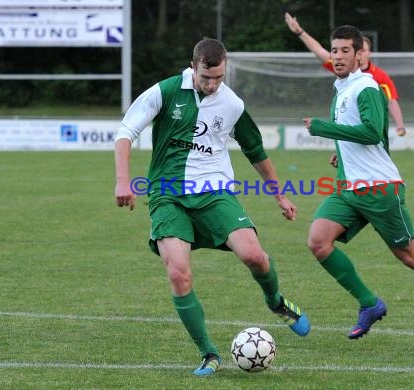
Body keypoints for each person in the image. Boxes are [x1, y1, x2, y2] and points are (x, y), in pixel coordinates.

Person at [114, 38, 310, 376]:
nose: (213, 84)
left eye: (219, 77)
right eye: (206, 77)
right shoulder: (165, 91)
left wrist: (279, 195)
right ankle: (208, 353)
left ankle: (276, 301)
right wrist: (122, 180)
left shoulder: (231, 104)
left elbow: (256, 151)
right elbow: (125, 132)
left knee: (254, 256)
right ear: (193, 66)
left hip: (214, 192)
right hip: (167, 194)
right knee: (178, 272)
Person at [302, 25, 414, 349]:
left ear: (359, 55)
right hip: (349, 188)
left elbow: (371, 132)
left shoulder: (366, 86)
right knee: (318, 241)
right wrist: (340, 152)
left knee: (410, 256)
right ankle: (370, 303)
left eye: (344, 51)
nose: (337, 56)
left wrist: (325, 129)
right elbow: (362, 134)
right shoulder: (343, 87)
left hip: (380, 188)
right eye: (334, 50)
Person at [285, 12, 407, 137]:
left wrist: (400, 125)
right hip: (351, 139)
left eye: (364, 50)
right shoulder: (343, 70)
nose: (338, 56)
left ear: (365, 53)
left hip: (369, 138)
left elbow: (391, 102)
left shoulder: (378, 77)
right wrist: (299, 32)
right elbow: (319, 50)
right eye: (336, 51)